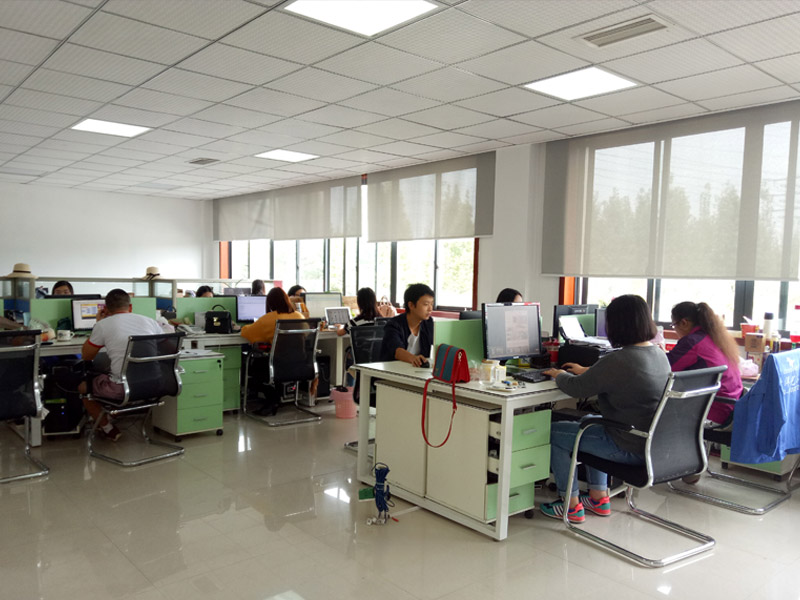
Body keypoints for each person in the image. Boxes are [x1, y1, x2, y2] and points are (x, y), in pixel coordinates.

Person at [540, 294, 671, 523]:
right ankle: (599, 498)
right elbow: (612, 375)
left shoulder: (621, 360)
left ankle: (570, 505)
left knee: (552, 434)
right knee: (590, 419)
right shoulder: (658, 354)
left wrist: (559, 374)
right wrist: (589, 370)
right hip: (651, 445)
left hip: (627, 446)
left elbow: (576, 388)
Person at [78, 289, 162, 442]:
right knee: (109, 374)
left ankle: (109, 429)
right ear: (130, 307)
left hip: (124, 389)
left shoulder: (103, 325)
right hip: (155, 383)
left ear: (106, 309)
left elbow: (86, 356)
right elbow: (165, 348)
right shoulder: (150, 321)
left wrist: (98, 324)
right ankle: (113, 416)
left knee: (83, 387)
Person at [668, 301, 743, 425]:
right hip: (730, 407)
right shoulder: (715, 338)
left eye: (673, 325)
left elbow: (666, 368)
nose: (675, 330)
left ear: (684, 323)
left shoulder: (692, 342)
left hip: (712, 410)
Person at [381, 283, 435, 366]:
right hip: (393, 369)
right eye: (426, 304)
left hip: (417, 370)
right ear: (411, 305)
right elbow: (397, 351)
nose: (430, 309)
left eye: (431, 304)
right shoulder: (393, 325)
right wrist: (414, 359)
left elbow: (436, 344)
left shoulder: (428, 323)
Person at [240, 287, 305, 345]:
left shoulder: (267, 319)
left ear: (270, 303)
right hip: (300, 354)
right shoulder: (300, 316)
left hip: (278, 354)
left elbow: (246, 333)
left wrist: (241, 327)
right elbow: (307, 334)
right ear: (287, 300)